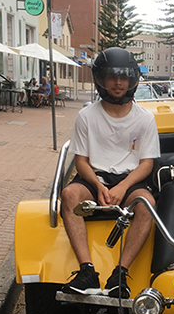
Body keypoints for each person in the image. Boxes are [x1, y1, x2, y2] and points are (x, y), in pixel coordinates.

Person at [60, 47, 160, 298]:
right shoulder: (85, 116)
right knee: (69, 194)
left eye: (124, 77)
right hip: (94, 178)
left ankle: (120, 273)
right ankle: (87, 272)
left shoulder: (145, 118)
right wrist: (100, 186)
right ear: (101, 79)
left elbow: (146, 165)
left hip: (129, 181)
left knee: (147, 203)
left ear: (132, 80)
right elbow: (81, 161)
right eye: (112, 76)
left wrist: (122, 187)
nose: (118, 82)